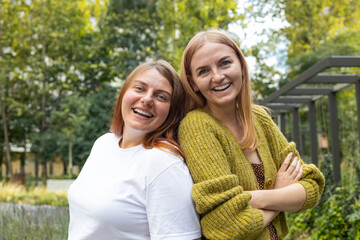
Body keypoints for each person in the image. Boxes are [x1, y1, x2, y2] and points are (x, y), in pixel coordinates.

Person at [178, 29, 325, 240]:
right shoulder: (197, 126)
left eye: (225, 63)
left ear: (241, 65)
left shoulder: (259, 118)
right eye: (203, 71)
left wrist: (256, 198)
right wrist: (280, 192)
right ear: (193, 83)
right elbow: (228, 226)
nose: (217, 77)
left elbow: (312, 186)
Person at [68, 60, 201, 240]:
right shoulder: (104, 144)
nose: (147, 99)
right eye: (139, 88)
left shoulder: (163, 164)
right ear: (124, 92)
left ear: (172, 111)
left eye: (161, 97)